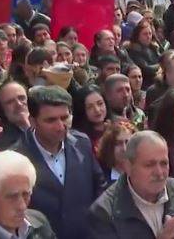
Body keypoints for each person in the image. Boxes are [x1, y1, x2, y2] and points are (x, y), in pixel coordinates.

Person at [87, 130, 174, 238]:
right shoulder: (104, 213)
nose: (159, 172)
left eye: (164, 163)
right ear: (128, 167)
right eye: (149, 165)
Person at [12, 86, 105, 239]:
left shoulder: (82, 143)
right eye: (51, 120)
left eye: (64, 118)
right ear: (33, 121)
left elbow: (99, 187)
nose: (60, 126)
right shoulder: (17, 158)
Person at [127, 19, 164, 90]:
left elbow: (163, 59)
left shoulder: (153, 47)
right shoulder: (133, 50)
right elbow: (146, 68)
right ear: (138, 35)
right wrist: (161, 65)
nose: (148, 36)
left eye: (150, 33)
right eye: (145, 34)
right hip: (145, 84)